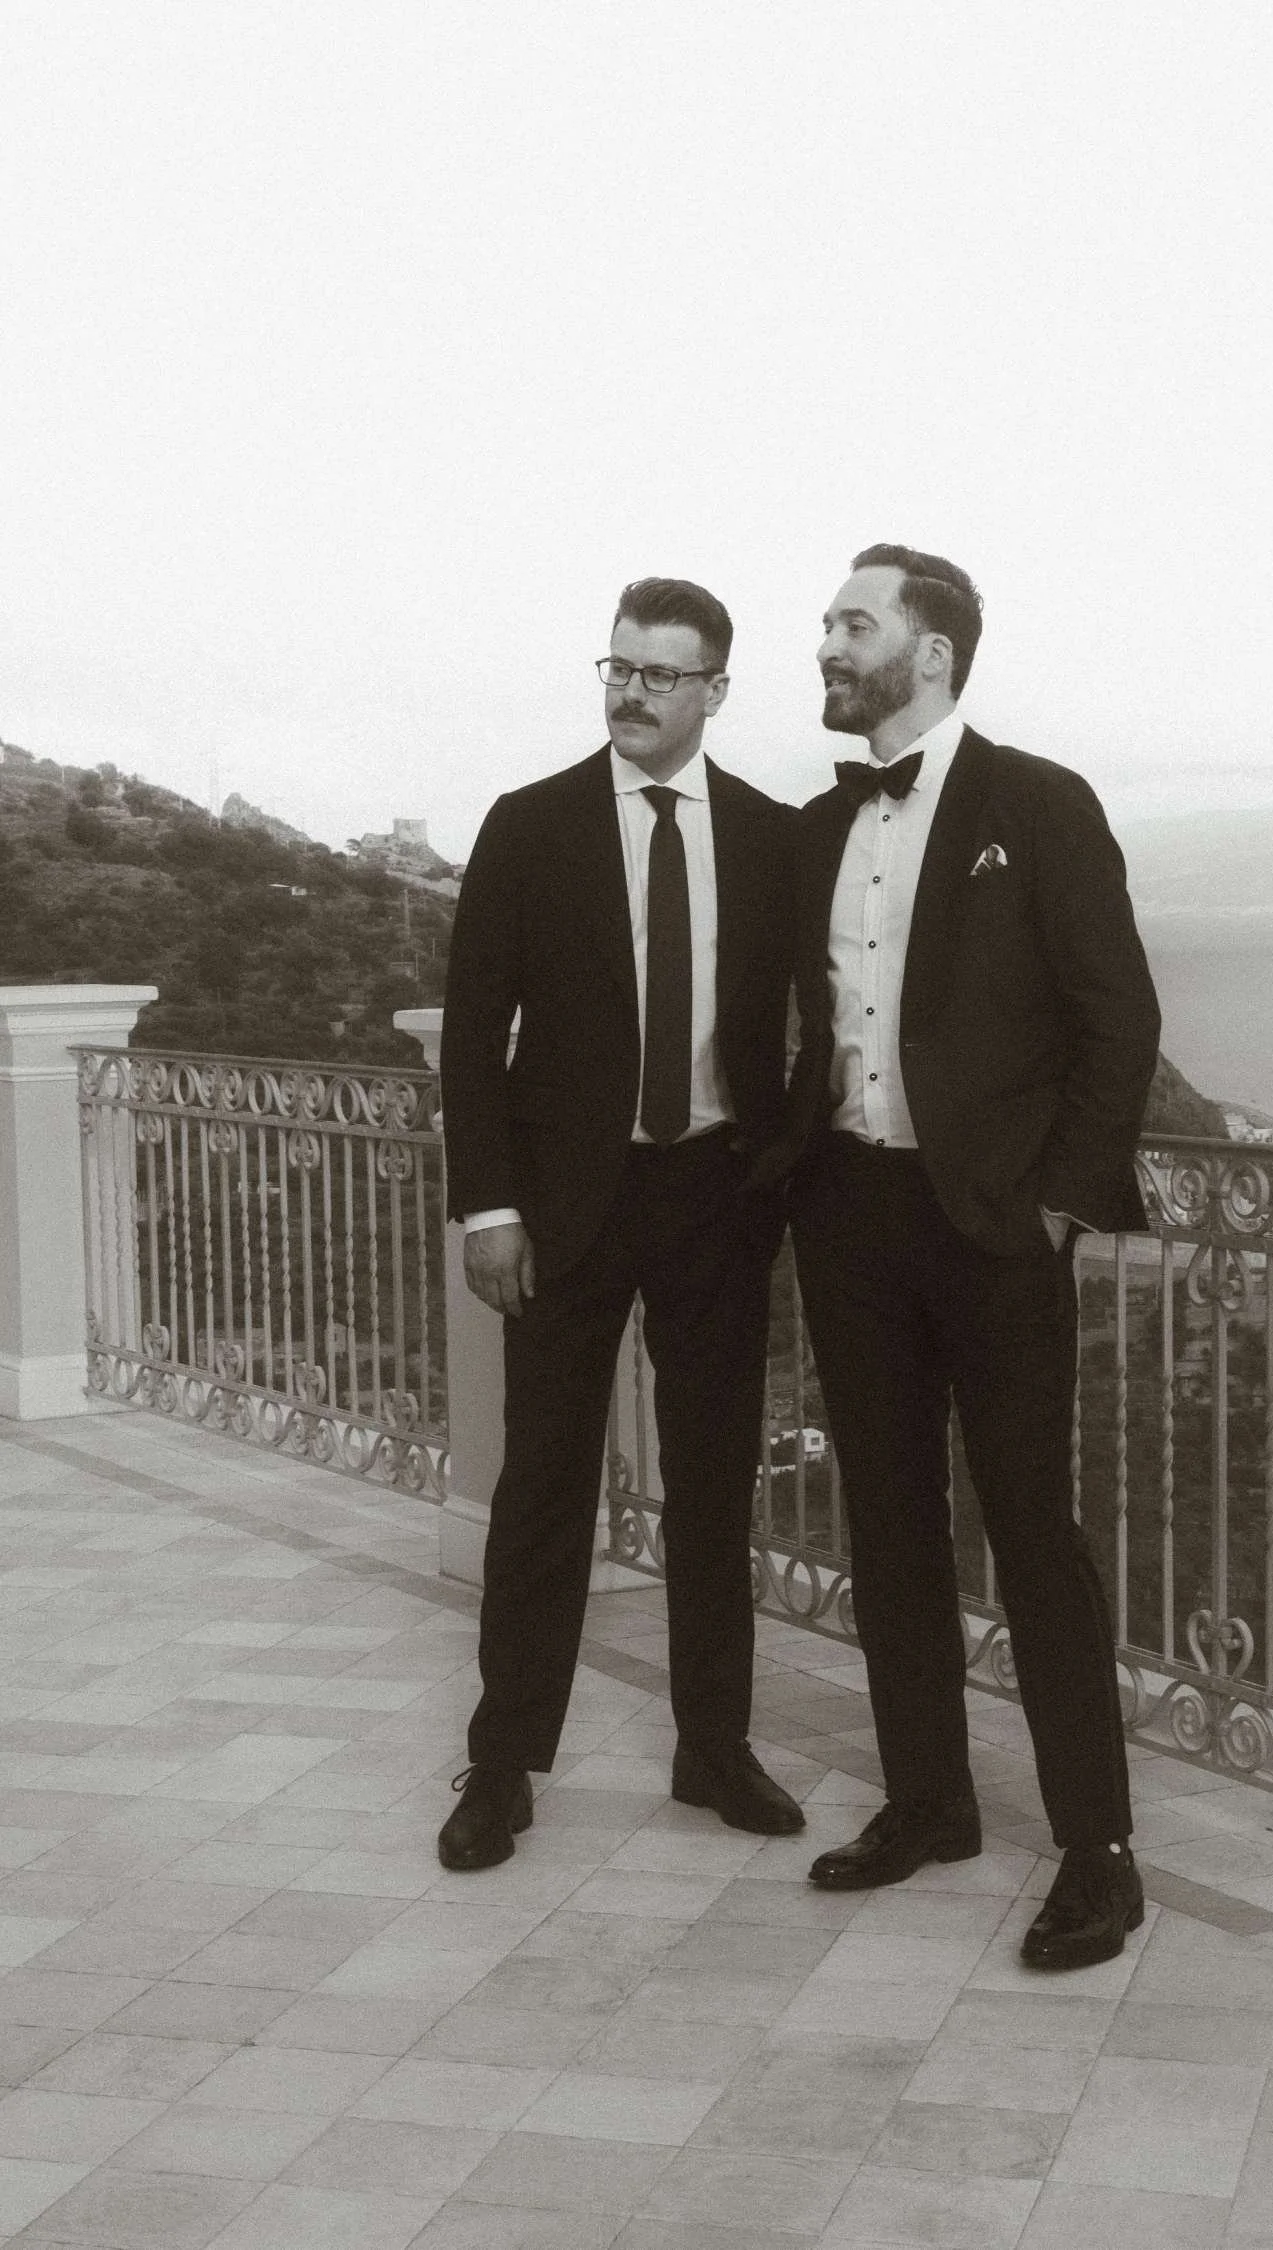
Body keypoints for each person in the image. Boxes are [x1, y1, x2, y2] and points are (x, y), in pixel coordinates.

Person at [781, 544, 1161, 1968]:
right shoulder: (823, 828)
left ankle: (1100, 1851)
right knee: (885, 1521)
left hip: (997, 1227)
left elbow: (1118, 1019)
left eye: (852, 622)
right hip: (854, 1219)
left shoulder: (1038, 803)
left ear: (929, 653)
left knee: (1031, 1531)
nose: (827, 641)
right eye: (828, 620)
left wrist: (1059, 1204)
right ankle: (929, 1799)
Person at [436, 576, 803, 1872]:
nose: (632, 692)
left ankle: (713, 1745)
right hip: (563, 1209)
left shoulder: (769, 836)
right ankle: (502, 1763)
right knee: (544, 1488)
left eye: (662, 673)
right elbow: (473, 1044)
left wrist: (779, 1172)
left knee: (714, 1489)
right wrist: (491, 1207)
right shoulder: (529, 828)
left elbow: (812, 1027)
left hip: (714, 1199)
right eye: (619, 667)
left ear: (714, 688)